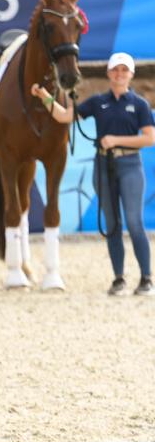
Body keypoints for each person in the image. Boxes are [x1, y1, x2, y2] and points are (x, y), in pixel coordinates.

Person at [33, 52, 155, 297]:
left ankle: (146, 278)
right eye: (115, 69)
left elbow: (149, 138)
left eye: (124, 70)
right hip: (103, 167)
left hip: (130, 164)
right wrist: (44, 96)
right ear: (109, 73)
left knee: (134, 222)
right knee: (111, 225)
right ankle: (119, 278)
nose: (119, 74)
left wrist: (116, 140)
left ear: (130, 74)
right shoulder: (97, 102)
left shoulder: (140, 104)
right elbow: (64, 116)